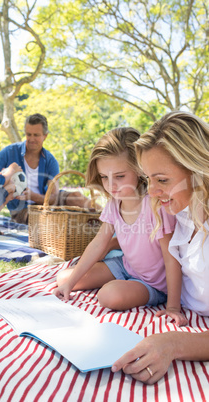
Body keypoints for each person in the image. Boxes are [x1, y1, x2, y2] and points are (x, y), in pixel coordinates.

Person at [111, 111, 209, 384]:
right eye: (148, 179)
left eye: (162, 180)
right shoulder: (183, 211)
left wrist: (174, 344)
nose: (151, 192)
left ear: (198, 171)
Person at [53, 127, 187, 320]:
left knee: (109, 296)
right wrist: (70, 284)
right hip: (125, 267)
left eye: (120, 176)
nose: (111, 185)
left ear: (140, 170)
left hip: (154, 283)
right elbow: (99, 243)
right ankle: (108, 280)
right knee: (64, 278)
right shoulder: (114, 203)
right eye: (104, 177)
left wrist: (173, 306)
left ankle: (133, 288)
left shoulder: (155, 205)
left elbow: (171, 256)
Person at [0, 113, 97, 224]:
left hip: (45, 201)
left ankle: (108, 217)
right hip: (22, 210)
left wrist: (33, 196)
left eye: (36, 135)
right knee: (49, 219)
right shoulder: (8, 152)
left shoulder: (50, 160)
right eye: (29, 134)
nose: (31, 139)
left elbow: (54, 197)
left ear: (45, 136)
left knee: (76, 197)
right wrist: (7, 180)